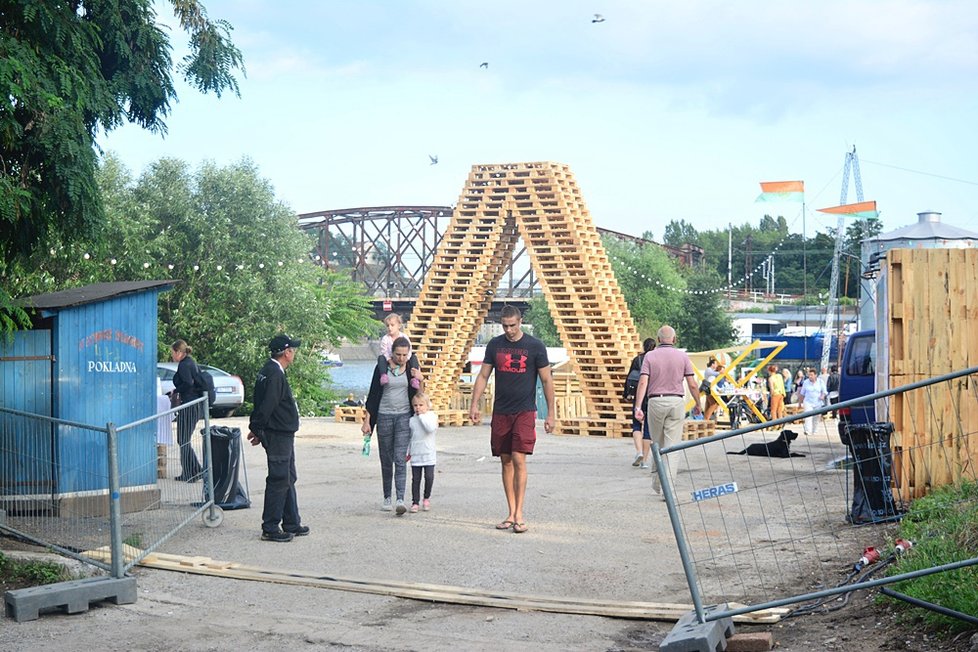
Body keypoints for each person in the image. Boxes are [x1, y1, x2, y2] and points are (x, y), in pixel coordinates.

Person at [469, 305, 555, 534]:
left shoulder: (535, 346)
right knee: (505, 460)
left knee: (519, 458)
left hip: (525, 410)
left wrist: (552, 414)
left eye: (513, 325)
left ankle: (520, 514)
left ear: (520, 322)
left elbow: (547, 380)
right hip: (501, 411)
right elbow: (483, 375)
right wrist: (474, 404)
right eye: (505, 326)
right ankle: (510, 512)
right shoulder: (495, 345)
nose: (509, 330)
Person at [247, 334, 308, 542]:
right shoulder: (275, 375)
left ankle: (291, 521)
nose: (294, 353)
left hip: (280, 432)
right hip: (278, 433)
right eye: (293, 350)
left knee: (288, 477)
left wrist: (256, 427)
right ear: (287, 352)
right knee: (279, 478)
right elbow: (268, 405)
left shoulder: (268, 370)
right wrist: (258, 428)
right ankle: (270, 527)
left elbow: (259, 402)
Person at [633, 325, 702, 494]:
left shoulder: (650, 356)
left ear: (658, 340)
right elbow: (692, 384)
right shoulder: (683, 357)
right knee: (672, 447)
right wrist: (698, 403)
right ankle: (668, 489)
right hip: (676, 402)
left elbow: (643, 382)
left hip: (655, 402)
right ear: (674, 339)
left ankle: (657, 483)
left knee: (657, 444)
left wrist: (638, 406)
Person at [363, 336, 425, 515]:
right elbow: (373, 395)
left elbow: (420, 396)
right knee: (386, 458)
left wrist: (421, 379)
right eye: (398, 354)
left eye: (405, 355)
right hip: (384, 416)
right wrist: (367, 421)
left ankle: (399, 498)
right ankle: (386, 498)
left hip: (404, 417)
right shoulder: (382, 369)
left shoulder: (411, 369)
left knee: (400, 458)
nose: (401, 358)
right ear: (392, 353)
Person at [170, 339, 203, 482]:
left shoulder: (184, 365)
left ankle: (192, 471)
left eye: (172, 353)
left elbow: (188, 384)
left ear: (179, 352)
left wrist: (175, 391)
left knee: (183, 439)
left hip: (189, 405)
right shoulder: (191, 362)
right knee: (184, 439)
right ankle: (194, 470)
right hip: (194, 405)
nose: (172, 356)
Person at [626, 338, 656, 467]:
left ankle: (639, 452)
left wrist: (626, 394)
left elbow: (629, 377)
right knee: (648, 429)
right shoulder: (655, 360)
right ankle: (644, 461)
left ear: (643, 346)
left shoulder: (637, 359)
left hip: (638, 396)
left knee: (637, 425)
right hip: (651, 396)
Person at [407, 391, 438, 513]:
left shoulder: (431, 417)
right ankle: (415, 501)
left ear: (427, 405)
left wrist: (421, 416)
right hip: (416, 453)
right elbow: (410, 437)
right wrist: (407, 452)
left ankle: (426, 497)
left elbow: (429, 428)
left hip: (428, 453)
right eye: (415, 405)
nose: (418, 408)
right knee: (416, 479)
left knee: (429, 477)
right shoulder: (411, 420)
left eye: (421, 405)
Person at [798, 368, 827, 436]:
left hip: (818, 402)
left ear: (815, 375)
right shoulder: (806, 382)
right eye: (809, 375)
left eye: (811, 375)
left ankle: (815, 430)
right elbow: (802, 393)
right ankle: (808, 431)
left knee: (816, 417)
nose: (810, 376)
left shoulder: (820, 382)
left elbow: (824, 391)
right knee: (808, 416)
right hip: (808, 402)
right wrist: (800, 403)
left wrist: (822, 396)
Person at [701, 357, 722, 422]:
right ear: (712, 364)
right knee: (714, 404)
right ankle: (706, 419)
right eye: (715, 364)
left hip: (711, 389)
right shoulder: (708, 370)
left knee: (708, 405)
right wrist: (720, 372)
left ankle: (705, 419)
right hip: (709, 390)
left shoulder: (711, 370)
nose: (716, 366)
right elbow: (713, 374)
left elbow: (714, 381)